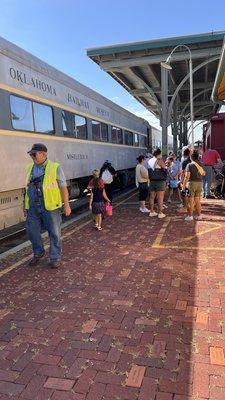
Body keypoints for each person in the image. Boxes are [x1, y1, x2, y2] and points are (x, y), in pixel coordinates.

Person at [25, 143, 71, 268]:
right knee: (31, 231)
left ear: (43, 154)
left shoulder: (55, 167)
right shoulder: (30, 168)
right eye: (31, 154)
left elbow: (63, 187)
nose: (32, 156)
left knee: (54, 233)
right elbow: (27, 187)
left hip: (50, 207)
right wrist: (25, 205)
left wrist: (66, 205)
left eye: (34, 154)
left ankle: (55, 257)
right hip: (33, 207)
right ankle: (38, 253)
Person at [182, 150, 205, 221]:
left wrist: (183, 186)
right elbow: (204, 173)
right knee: (197, 201)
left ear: (191, 157)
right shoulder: (201, 164)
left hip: (191, 184)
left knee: (190, 201)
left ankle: (190, 216)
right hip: (199, 183)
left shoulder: (189, 165)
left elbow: (187, 177)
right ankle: (199, 215)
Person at [148, 148, 167, 219]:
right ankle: (160, 213)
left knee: (152, 197)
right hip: (160, 181)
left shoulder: (149, 160)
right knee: (160, 197)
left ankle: (152, 211)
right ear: (159, 154)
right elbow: (165, 168)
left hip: (152, 180)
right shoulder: (159, 160)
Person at [179, 147, 192, 213]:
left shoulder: (185, 161)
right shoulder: (193, 161)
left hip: (186, 179)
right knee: (191, 195)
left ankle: (185, 207)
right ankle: (190, 206)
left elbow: (183, 171)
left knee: (185, 194)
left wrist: (181, 180)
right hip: (193, 179)